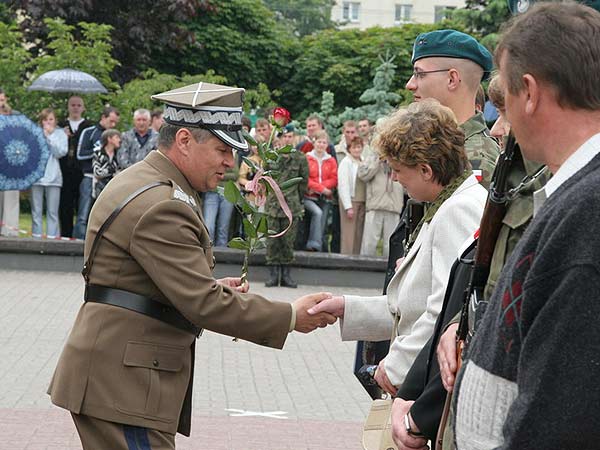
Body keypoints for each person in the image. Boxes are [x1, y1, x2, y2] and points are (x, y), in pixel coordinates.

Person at [47, 81, 336, 450]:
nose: (230, 163)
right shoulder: (163, 203)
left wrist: (212, 288)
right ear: (184, 140)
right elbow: (201, 302)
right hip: (125, 385)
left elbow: (149, 280)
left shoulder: (149, 181)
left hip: (119, 376)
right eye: (220, 149)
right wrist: (290, 317)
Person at [446, 4, 600, 449]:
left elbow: (563, 415)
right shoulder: (577, 195)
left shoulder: (587, 213)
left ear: (528, 93)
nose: (499, 126)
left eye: (506, 98)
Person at [389, 74, 549, 450]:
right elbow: (464, 304)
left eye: (505, 112)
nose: (496, 129)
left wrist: (415, 403)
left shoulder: (466, 205)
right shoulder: (515, 187)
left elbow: (460, 308)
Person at [309, 100, 486, 396]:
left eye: (398, 169)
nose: (393, 177)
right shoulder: (448, 204)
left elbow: (444, 312)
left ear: (426, 170)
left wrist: (394, 368)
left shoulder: (457, 210)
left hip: (431, 384)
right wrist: (346, 308)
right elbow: (411, 304)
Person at [264, 124, 309, 288]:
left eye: (291, 136)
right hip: (273, 207)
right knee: (272, 242)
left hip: (291, 206)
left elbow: (303, 182)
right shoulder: (272, 157)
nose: (288, 139)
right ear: (280, 138)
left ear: (295, 138)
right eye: (285, 136)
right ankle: (273, 275)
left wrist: (297, 198)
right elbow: (264, 178)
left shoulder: (300, 158)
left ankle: (286, 276)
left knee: (288, 242)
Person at [75, 107, 120, 239]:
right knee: (84, 212)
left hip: (108, 180)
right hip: (90, 177)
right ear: (103, 117)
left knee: (105, 212)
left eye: (115, 122)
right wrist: (98, 152)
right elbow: (79, 155)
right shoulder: (89, 132)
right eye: (111, 121)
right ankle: (79, 242)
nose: (113, 125)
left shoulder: (115, 136)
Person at [58, 96, 94, 238]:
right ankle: (66, 234)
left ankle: (80, 235)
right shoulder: (61, 125)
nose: (75, 108)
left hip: (82, 171)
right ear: (68, 107)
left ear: (83, 108)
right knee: (65, 204)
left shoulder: (89, 126)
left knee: (82, 204)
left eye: (79, 105)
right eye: (73, 105)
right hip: (64, 170)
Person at [30, 108, 68, 239]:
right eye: (45, 120)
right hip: (37, 177)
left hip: (54, 177)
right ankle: (36, 237)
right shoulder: (35, 133)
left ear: (55, 120)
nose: (48, 122)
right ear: (41, 121)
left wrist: (50, 136)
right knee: (36, 210)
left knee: (52, 211)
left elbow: (61, 152)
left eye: (51, 119)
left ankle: (52, 238)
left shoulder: (60, 133)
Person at [304, 130, 337, 251]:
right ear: (314, 142)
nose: (321, 145)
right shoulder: (307, 158)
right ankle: (313, 245)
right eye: (319, 142)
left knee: (322, 223)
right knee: (317, 213)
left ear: (327, 145)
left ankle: (319, 249)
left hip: (325, 197)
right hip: (309, 197)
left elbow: (334, 179)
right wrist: (321, 188)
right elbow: (305, 178)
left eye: (324, 142)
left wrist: (322, 188)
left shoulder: (331, 160)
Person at [337, 136, 364, 255]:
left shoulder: (363, 161)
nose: (357, 150)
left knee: (359, 233)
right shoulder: (346, 162)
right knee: (349, 233)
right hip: (351, 201)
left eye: (359, 147)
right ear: (349, 149)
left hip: (362, 201)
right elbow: (343, 185)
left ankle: (356, 258)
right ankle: (346, 257)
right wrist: (348, 207)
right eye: (354, 147)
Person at [0, 88, 21, 237]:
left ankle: (10, 232)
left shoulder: (16, 118)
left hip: (11, 166)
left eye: (2, 100)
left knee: (11, 200)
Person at [92, 129, 121, 199]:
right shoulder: (98, 153)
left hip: (116, 188)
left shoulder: (119, 154)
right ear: (109, 139)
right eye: (117, 137)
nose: (119, 140)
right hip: (100, 188)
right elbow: (97, 173)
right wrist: (112, 170)